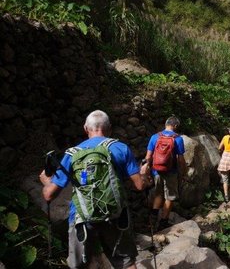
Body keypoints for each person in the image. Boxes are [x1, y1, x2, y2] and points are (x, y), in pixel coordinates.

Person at [39, 110, 146, 269]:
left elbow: (49, 195)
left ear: (85, 128)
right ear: (109, 128)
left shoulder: (71, 154)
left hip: (81, 217)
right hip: (116, 215)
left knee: (81, 265)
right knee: (126, 263)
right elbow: (140, 185)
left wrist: (46, 181)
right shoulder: (121, 148)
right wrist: (144, 173)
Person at [142, 116, 187, 231]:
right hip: (171, 171)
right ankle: (163, 222)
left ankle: (152, 222)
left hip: (156, 170)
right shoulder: (178, 139)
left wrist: (146, 172)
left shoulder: (155, 137)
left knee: (158, 194)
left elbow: (148, 157)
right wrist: (183, 173)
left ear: (166, 124)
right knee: (170, 196)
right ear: (175, 126)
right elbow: (181, 159)